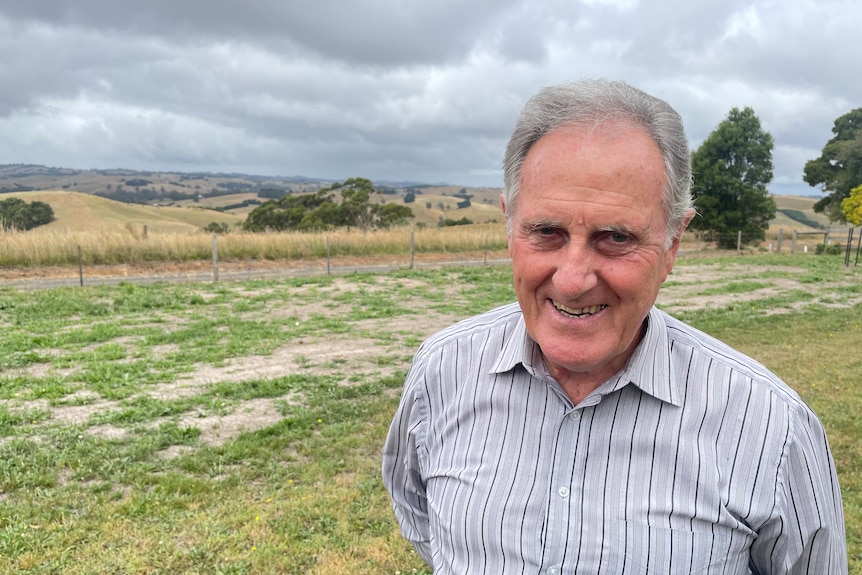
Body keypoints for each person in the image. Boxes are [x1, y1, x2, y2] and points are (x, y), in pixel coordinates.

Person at [382, 79, 846, 574]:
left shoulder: (774, 429)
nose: (573, 279)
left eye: (617, 237)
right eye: (546, 232)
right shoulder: (442, 370)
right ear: (508, 224)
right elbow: (420, 513)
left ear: (672, 245)